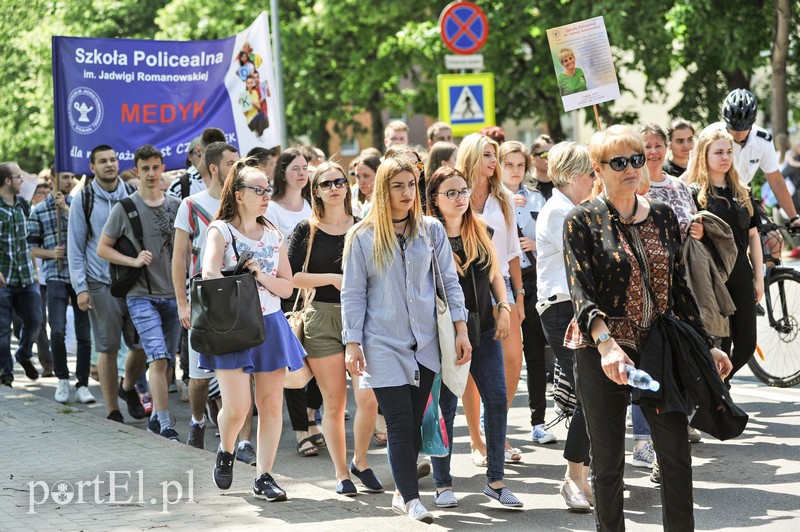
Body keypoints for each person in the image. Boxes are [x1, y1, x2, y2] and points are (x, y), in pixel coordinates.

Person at [563, 125, 732, 530]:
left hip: (659, 347)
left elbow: (678, 290)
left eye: (636, 159)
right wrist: (606, 345)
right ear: (598, 169)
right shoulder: (581, 220)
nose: (630, 169)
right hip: (600, 352)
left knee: (675, 455)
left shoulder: (662, 216)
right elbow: (581, 293)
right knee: (608, 466)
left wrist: (706, 345)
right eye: (618, 162)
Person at [341, 157, 471, 523]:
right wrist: (352, 344)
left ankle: (401, 490)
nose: (407, 193)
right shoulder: (362, 236)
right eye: (398, 185)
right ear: (383, 190)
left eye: (411, 185)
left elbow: (449, 283)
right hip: (381, 343)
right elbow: (353, 293)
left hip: (427, 344)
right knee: (398, 422)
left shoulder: (431, 230)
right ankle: (412, 499)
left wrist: (460, 329)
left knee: (413, 423)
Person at [201, 161, 305, 502]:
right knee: (237, 407)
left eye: (268, 190)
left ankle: (264, 476)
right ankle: (226, 448)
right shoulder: (220, 230)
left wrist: (261, 276)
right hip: (232, 326)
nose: (265, 197)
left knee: (271, 406)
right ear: (238, 194)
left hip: (271, 324)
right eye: (258, 190)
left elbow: (288, 288)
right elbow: (209, 274)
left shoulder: (275, 234)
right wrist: (240, 276)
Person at [426, 165, 523, 509]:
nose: (460, 198)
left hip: (484, 326)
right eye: (450, 193)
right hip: (444, 332)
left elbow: (496, 272)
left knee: (496, 399)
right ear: (435, 200)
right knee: (446, 407)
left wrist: (505, 307)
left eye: (463, 191)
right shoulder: (427, 234)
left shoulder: (479, 227)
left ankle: (496, 481)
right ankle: (442, 483)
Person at [287, 162, 382, 497]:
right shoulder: (306, 230)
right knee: (335, 403)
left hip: (362, 318)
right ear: (316, 191)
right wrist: (332, 279)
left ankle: (360, 461)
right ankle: (342, 473)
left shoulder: (364, 226)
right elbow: (291, 278)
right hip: (322, 318)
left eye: (340, 181)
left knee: (368, 399)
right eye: (326, 183)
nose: (334, 188)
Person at [172, 142, 254, 455]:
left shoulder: (243, 202)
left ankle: (243, 442)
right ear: (214, 168)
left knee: (245, 375)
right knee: (200, 378)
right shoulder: (191, 205)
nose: (239, 167)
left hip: (239, 298)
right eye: (232, 162)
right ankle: (197, 420)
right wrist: (182, 302)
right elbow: (179, 258)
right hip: (203, 300)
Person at [97, 145, 181, 440]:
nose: (151, 173)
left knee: (166, 359)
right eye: (145, 168)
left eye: (156, 167)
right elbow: (103, 247)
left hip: (174, 295)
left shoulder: (176, 205)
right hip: (140, 294)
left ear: (162, 168)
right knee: (157, 357)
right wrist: (133, 260)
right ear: (137, 170)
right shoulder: (125, 207)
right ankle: (165, 421)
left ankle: (157, 418)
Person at [457, 133, 525, 465]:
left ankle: (495, 426)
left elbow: (512, 252)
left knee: (513, 358)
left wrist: (519, 296)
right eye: (487, 155)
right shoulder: (456, 194)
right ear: (470, 157)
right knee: (470, 368)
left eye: (494, 155)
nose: (493, 162)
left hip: (501, 289)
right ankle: (475, 439)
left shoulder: (504, 198)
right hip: (467, 287)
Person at [534, 141, 595, 510]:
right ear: (572, 175)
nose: (595, 178)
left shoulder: (575, 207)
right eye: (591, 172)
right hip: (561, 310)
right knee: (589, 391)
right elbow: (587, 258)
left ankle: (584, 470)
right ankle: (574, 476)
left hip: (581, 308)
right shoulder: (559, 212)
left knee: (595, 392)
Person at [67, 146, 146, 423]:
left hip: (136, 282)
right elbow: (75, 247)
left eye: (113, 160)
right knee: (108, 348)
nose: (110, 165)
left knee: (143, 345)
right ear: (92, 167)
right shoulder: (83, 199)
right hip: (100, 283)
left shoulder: (133, 194)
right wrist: (81, 288)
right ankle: (113, 410)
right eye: (103, 161)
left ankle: (128, 388)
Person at [641, 123, 705, 446]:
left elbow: (693, 225)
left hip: (679, 282)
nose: (653, 152)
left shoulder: (680, 187)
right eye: (647, 146)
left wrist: (697, 230)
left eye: (657, 145)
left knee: (679, 354)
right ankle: (647, 436)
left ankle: (679, 421)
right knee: (652, 359)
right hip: (646, 285)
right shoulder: (635, 186)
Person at [686, 130, 763, 383]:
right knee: (722, 343)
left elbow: (753, 236)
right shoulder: (694, 193)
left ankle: (720, 389)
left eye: (729, 152)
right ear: (704, 155)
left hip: (741, 274)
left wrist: (759, 279)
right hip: (711, 277)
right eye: (718, 152)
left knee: (746, 345)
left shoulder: (742, 191)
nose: (725, 157)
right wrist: (694, 231)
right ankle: (718, 401)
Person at [265, 148, 323, 457]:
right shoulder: (272, 209)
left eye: (306, 167)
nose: (302, 173)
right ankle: (301, 429)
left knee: (321, 359)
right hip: (288, 293)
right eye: (295, 168)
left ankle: (314, 418)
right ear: (282, 172)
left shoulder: (314, 205)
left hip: (319, 292)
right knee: (295, 363)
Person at [499, 141, 553, 445]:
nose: (515, 171)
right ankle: (496, 420)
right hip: (501, 283)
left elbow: (550, 237)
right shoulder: (492, 200)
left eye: (520, 165)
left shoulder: (535, 198)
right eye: (509, 165)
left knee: (534, 353)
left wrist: (536, 244)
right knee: (507, 358)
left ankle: (538, 420)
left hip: (532, 280)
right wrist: (507, 203)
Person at [28, 170, 94, 403]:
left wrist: (67, 210)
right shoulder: (39, 211)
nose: (68, 181)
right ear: (53, 178)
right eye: (64, 177)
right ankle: (63, 379)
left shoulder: (79, 204)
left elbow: (91, 235)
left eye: (70, 177)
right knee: (56, 330)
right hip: (55, 276)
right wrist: (50, 253)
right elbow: (33, 248)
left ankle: (83, 383)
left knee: (84, 334)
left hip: (79, 277)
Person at [699, 88, 800, 230]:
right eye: (734, 128)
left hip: (743, 194)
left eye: (744, 128)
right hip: (713, 194)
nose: (739, 134)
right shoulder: (711, 135)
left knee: (774, 240)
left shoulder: (763, 140)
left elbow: (776, 180)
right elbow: (696, 172)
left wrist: (793, 217)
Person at [0, 162, 43, 386]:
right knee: (2, 331)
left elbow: (28, 242)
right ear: (7, 181)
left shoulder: (24, 205)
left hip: (26, 277)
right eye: (18, 177)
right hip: (3, 280)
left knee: (35, 320)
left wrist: (35, 269)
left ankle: (24, 354)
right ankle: (5, 374)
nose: (22, 181)